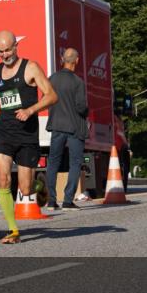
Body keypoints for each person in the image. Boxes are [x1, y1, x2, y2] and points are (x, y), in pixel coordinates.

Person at [0, 30, 57, 244]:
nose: (5, 54)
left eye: (8, 49)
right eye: (1, 51)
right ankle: (13, 230)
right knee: (3, 178)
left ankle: (39, 186)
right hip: (4, 131)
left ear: (16, 46)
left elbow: (52, 95)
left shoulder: (30, 67)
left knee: (25, 190)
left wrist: (31, 110)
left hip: (27, 134)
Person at [44, 48, 88, 211]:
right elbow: (81, 107)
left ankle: (51, 201)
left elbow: (45, 99)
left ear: (62, 59)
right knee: (75, 163)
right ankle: (68, 200)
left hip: (56, 126)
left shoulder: (52, 79)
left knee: (53, 162)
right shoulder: (78, 82)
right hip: (75, 127)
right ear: (77, 60)